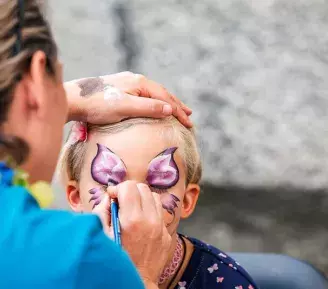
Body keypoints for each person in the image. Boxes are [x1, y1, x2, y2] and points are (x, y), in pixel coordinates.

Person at [0, 1, 193, 288]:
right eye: (109, 177)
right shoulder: (78, 259)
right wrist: (139, 272)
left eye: (160, 179)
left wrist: (65, 99)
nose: (132, 195)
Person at [59, 117, 260, 289]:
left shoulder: (226, 282)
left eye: (159, 183)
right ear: (76, 196)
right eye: (109, 181)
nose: (132, 201)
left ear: (186, 201)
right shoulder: (51, 270)